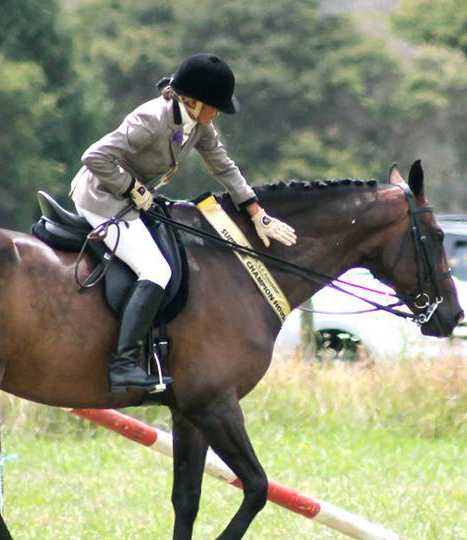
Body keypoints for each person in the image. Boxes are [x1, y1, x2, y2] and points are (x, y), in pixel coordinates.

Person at [70, 53, 297, 393]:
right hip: (101, 196)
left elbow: (224, 167)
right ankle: (122, 365)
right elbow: (94, 156)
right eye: (215, 106)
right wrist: (130, 188)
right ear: (194, 101)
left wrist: (256, 213)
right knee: (156, 270)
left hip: (134, 198)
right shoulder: (151, 119)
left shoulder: (199, 125)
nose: (218, 113)